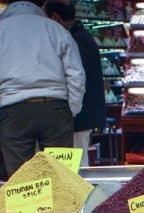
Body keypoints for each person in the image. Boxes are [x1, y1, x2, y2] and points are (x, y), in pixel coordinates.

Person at [0, 0, 85, 175]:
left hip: (12, 110)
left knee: (21, 179)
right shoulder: (55, 29)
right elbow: (76, 72)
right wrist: (73, 107)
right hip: (55, 108)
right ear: (39, 6)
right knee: (62, 177)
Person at [45, 1, 106, 166]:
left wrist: (71, 110)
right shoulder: (81, 36)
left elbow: (77, 79)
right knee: (78, 159)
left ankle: (80, 192)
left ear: (55, 18)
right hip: (83, 113)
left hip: (79, 115)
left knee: (76, 163)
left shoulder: (74, 39)